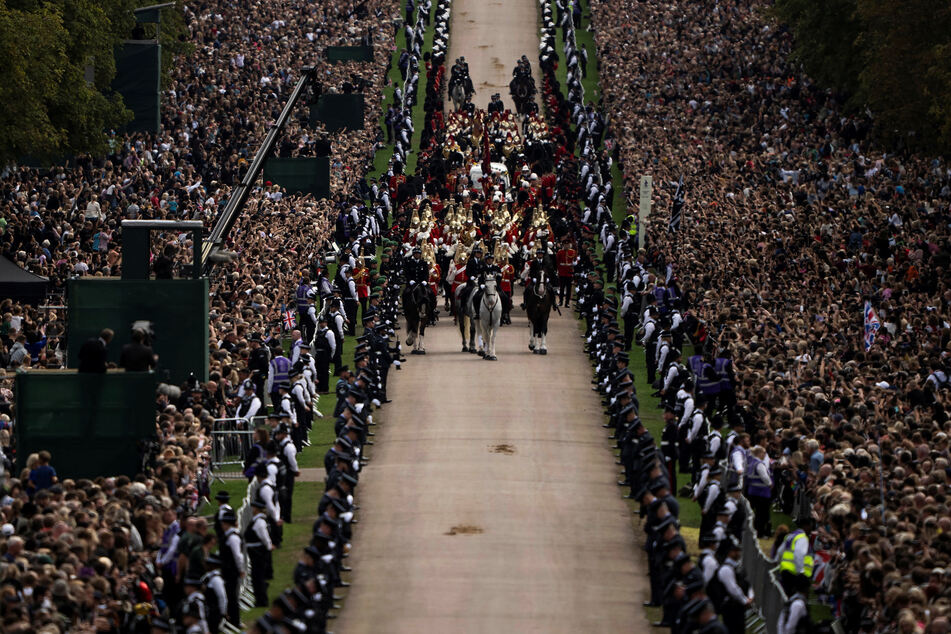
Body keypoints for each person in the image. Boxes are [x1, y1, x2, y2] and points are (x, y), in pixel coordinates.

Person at [245, 499, 274, 607]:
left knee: (258, 576)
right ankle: (260, 599)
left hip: (258, 552)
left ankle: (262, 600)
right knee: (257, 576)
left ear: (257, 509)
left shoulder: (259, 522)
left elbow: (264, 537)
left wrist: (268, 547)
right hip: (257, 552)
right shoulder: (258, 520)